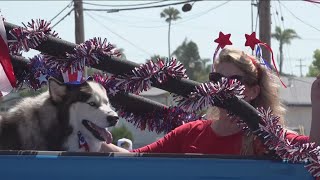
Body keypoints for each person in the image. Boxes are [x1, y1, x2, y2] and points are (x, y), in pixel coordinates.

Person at [100, 47, 313, 155]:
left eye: (233, 81)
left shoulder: (266, 138)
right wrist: (93, 142)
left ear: (253, 90)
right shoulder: (190, 133)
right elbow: (134, 159)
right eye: (216, 79)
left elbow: (313, 151)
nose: (222, 86)